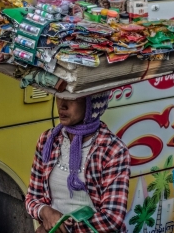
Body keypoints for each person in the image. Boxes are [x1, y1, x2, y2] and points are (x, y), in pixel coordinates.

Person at [25, 91, 130, 232]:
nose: (62, 105)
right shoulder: (48, 140)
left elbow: (111, 219)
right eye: (59, 95)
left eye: (72, 98)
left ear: (91, 105)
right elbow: (33, 197)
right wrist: (45, 212)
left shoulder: (113, 150)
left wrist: (60, 226)